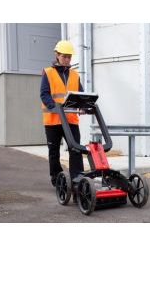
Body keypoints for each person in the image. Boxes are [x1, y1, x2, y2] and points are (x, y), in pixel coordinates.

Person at [40, 40, 85, 188]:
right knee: (54, 152)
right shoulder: (48, 72)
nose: (67, 59)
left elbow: (80, 95)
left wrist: (82, 106)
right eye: (64, 56)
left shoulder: (75, 75)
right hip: (53, 120)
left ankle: (77, 179)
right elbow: (44, 94)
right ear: (57, 55)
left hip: (70, 120)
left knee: (76, 149)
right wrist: (54, 106)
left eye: (69, 57)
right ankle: (57, 180)